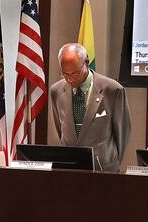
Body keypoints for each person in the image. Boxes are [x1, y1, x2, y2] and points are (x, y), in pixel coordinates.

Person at [49, 43, 131, 172]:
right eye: (65, 74)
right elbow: (60, 129)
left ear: (86, 62)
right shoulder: (56, 91)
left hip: (103, 170)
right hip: (69, 170)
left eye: (74, 73)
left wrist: (112, 162)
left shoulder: (113, 90)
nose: (69, 79)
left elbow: (122, 133)